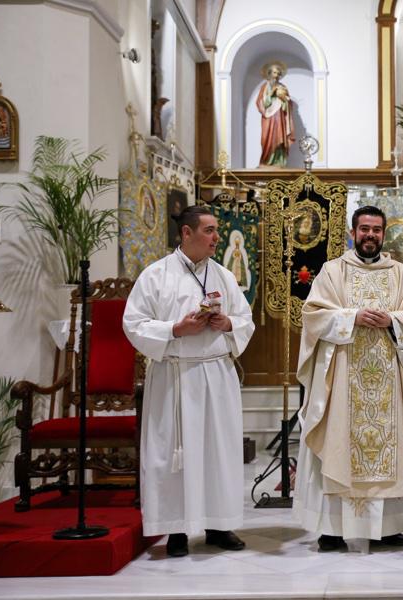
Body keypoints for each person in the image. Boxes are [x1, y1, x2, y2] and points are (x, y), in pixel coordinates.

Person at [123, 205, 255, 558]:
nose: (217, 238)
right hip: (175, 376)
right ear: (186, 233)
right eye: (210, 231)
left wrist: (228, 324)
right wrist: (174, 330)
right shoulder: (156, 276)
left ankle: (219, 524)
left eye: (216, 231)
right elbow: (133, 324)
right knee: (173, 457)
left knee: (218, 452)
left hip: (216, 373)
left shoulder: (224, 276)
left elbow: (246, 318)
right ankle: (176, 531)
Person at [294, 205, 403, 551]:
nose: (370, 235)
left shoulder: (401, 274)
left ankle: (388, 528)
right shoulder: (332, 271)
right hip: (342, 378)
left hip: (389, 379)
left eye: (376, 230)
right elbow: (313, 314)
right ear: (353, 232)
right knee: (338, 446)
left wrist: (393, 322)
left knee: (389, 450)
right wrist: (351, 317)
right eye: (364, 229)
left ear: (384, 234)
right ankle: (334, 529)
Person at [256, 61, 296, 167]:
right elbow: (260, 102)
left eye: (278, 73)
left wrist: (285, 99)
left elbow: (289, 103)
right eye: (274, 73)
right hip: (269, 117)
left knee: (280, 137)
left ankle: (279, 161)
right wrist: (271, 93)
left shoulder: (283, 87)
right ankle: (266, 161)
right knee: (267, 139)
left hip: (280, 116)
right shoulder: (265, 86)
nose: (277, 75)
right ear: (269, 73)